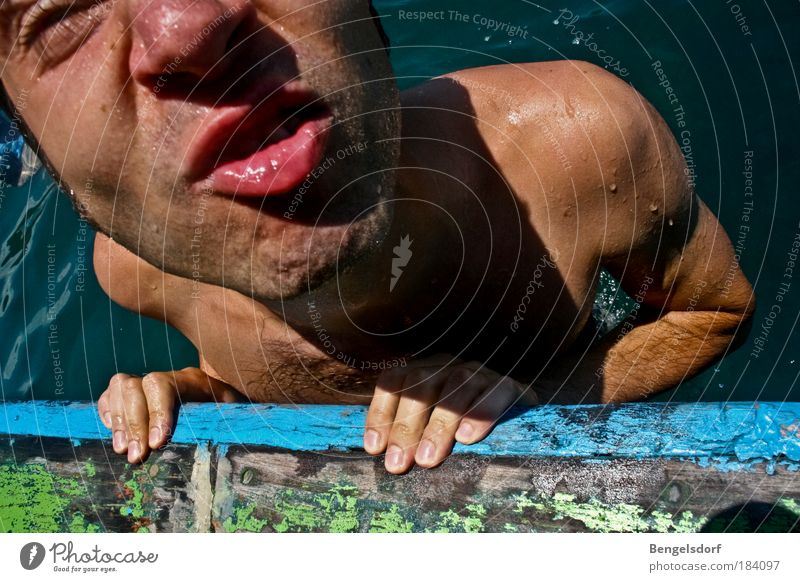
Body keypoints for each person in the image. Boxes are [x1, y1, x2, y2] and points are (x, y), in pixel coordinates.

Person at [1, 0, 755, 474]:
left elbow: (716, 310)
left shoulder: (580, 143)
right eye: (62, 11)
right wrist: (185, 395)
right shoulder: (135, 270)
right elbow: (240, 374)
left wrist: (538, 397)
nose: (191, 28)